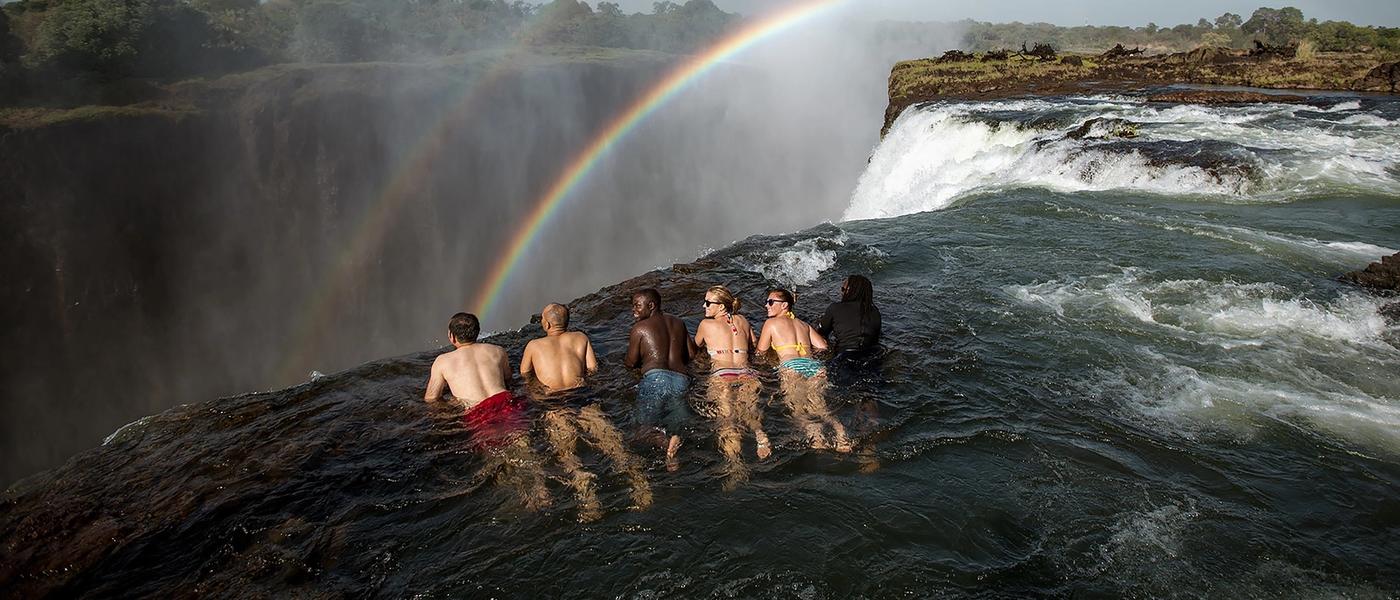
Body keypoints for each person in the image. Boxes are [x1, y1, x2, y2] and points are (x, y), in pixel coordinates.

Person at [522, 303, 650, 521]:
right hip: (582, 396)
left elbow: (525, 375)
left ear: (547, 323)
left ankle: (588, 495)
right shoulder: (581, 338)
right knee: (613, 444)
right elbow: (593, 369)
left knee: (567, 453)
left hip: (554, 403)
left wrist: (538, 394)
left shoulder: (533, 345)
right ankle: (641, 487)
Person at [425, 312, 549, 510]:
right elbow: (508, 380)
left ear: (452, 336)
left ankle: (525, 497)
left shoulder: (443, 361)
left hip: (478, 411)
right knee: (524, 445)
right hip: (506, 401)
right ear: (478, 332)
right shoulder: (497, 350)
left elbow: (432, 398)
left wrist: (452, 405)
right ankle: (542, 489)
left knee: (498, 456)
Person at [694, 285, 771, 489]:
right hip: (747, 374)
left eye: (708, 302)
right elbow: (754, 345)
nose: (704, 305)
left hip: (722, 373)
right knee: (750, 412)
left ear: (721, 306)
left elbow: (696, 347)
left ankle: (736, 466)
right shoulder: (743, 320)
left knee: (727, 420)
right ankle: (760, 435)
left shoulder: (705, 324)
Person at [757, 288, 851, 453]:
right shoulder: (804, 325)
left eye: (771, 302)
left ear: (784, 305)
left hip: (791, 366)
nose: (767, 305)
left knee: (798, 410)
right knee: (820, 407)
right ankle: (841, 434)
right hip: (814, 367)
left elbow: (761, 351)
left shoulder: (771, 324)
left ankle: (818, 440)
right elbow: (823, 346)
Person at [625, 288, 695, 468]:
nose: (633, 310)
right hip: (682, 380)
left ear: (651, 306)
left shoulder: (640, 328)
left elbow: (631, 362)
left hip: (656, 379)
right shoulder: (679, 323)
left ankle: (665, 444)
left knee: (642, 429)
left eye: (637, 306)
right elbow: (692, 354)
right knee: (679, 425)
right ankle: (673, 455)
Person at [816, 275, 881, 354]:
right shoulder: (875, 311)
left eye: (843, 289)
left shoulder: (835, 308)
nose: (841, 293)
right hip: (871, 355)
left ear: (849, 291)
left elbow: (821, 334)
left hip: (845, 355)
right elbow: (875, 340)